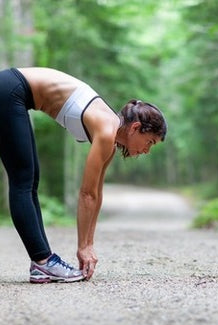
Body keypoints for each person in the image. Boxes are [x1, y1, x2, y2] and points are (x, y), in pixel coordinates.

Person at [0, 67, 167, 283]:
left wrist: (88, 245)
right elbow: (86, 194)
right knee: (23, 181)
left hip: (13, 93)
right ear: (135, 127)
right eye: (150, 142)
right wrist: (82, 247)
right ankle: (42, 262)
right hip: (10, 89)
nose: (147, 150)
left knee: (29, 182)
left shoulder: (111, 138)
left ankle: (42, 262)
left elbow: (96, 192)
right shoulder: (107, 131)